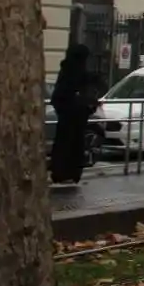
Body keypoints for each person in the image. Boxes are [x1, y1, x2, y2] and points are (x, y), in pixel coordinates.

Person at [49, 44, 103, 186]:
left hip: (69, 118)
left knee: (65, 146)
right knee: (72, 147)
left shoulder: (68, 72)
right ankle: (69, 173)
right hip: (74, 118)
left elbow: (57, 98)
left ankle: (62, 173)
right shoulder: (78, 74)